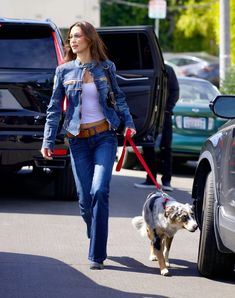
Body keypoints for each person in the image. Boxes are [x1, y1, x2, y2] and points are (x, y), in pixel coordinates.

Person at [41, 21, 136, 270]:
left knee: (99, 191)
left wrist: (128, 122)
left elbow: (119, 97)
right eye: (70, 37)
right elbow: (53, 109)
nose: (72, 40)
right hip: (77, 141)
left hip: (104, 136)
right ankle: (94, 230)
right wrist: (48, 140)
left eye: (78, 36)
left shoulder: (106, 67)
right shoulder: (63, 71)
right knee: (84, 200)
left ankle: (97, 255)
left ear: (90, 39)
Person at [134, 64, 179, 191]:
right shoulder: (147, 69)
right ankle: (151, 179)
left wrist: (167, 109)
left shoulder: (168, 70)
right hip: (148, 115)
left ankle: (166, 181)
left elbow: (175, 91)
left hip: (164, 115)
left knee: (166, 147)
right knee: (148, 146)